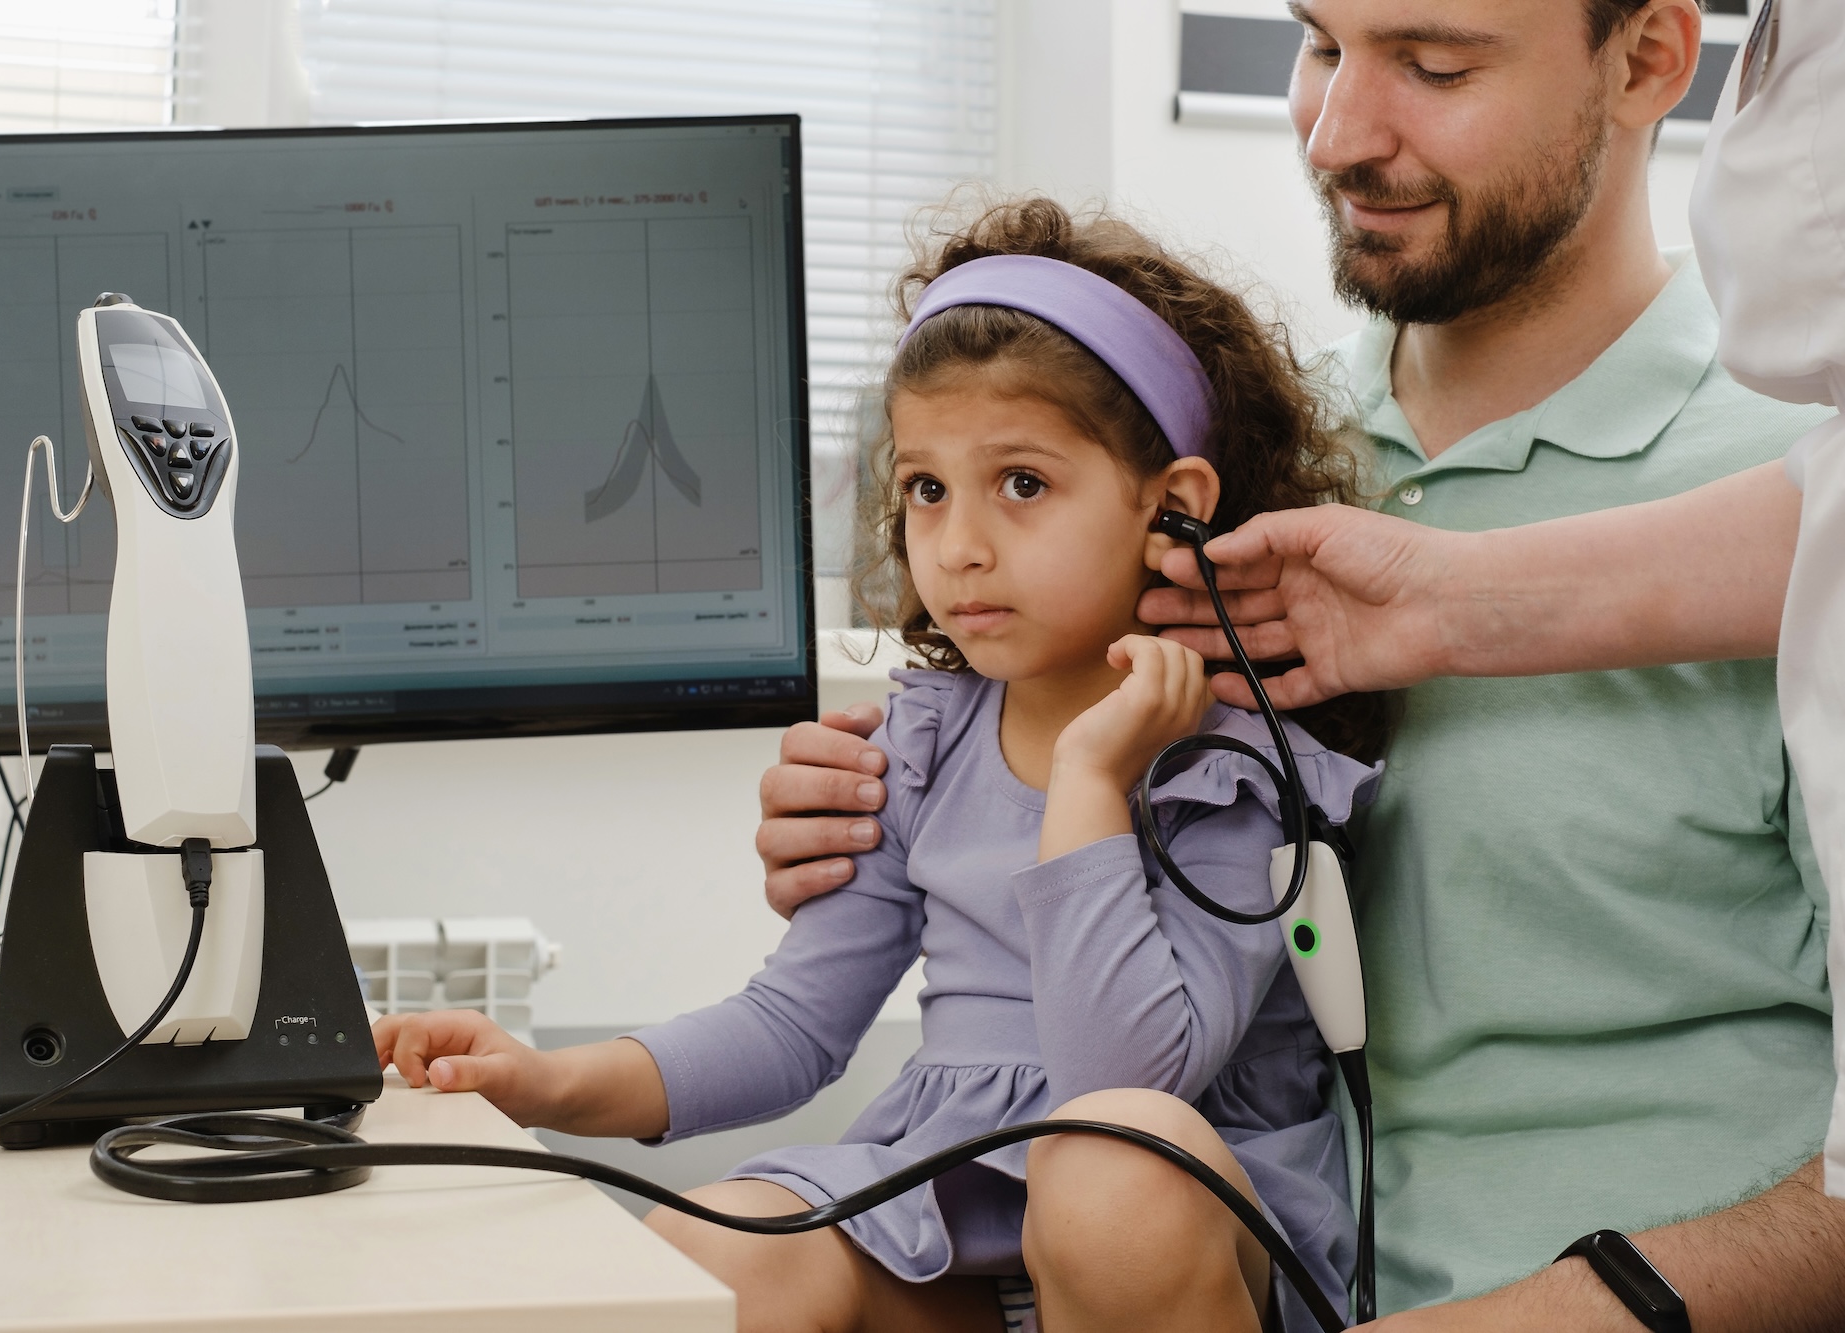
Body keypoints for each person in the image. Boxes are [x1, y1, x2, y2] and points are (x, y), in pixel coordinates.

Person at [759, 1, 1845, 1327]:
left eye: (1436, 66)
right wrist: (894, 825)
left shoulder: (1797, 486)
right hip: (1214, 1277)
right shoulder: (1211, 467)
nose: (1336, 135)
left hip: (1629, 1300)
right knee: (734, 1261)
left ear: (1651, 60)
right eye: (1322, 44)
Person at [377, 201, 1384, 1333]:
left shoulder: (1236, 772)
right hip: (950, 1215)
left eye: (1021, 484)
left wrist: (1093, 780)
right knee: (705, 1253)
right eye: (924, 488)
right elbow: (792, 1026)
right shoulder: (925, 739)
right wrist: (543, 1082)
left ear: (1174, 509)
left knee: (1110, 1170)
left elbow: (1129, 1079)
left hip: (1167, 1239)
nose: (956, 545)